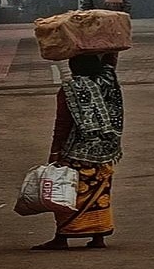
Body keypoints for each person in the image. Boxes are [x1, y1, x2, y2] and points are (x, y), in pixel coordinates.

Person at [33, 53, 122, 250]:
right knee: (99, 195)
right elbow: (110, 61)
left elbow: (62, 124)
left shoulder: (69, 90)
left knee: (67, 192)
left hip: (76, 153)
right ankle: (99, 237)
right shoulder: (107, 80)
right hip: (106, 151)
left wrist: (55, 153)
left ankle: (62, 236)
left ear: (74, 69)